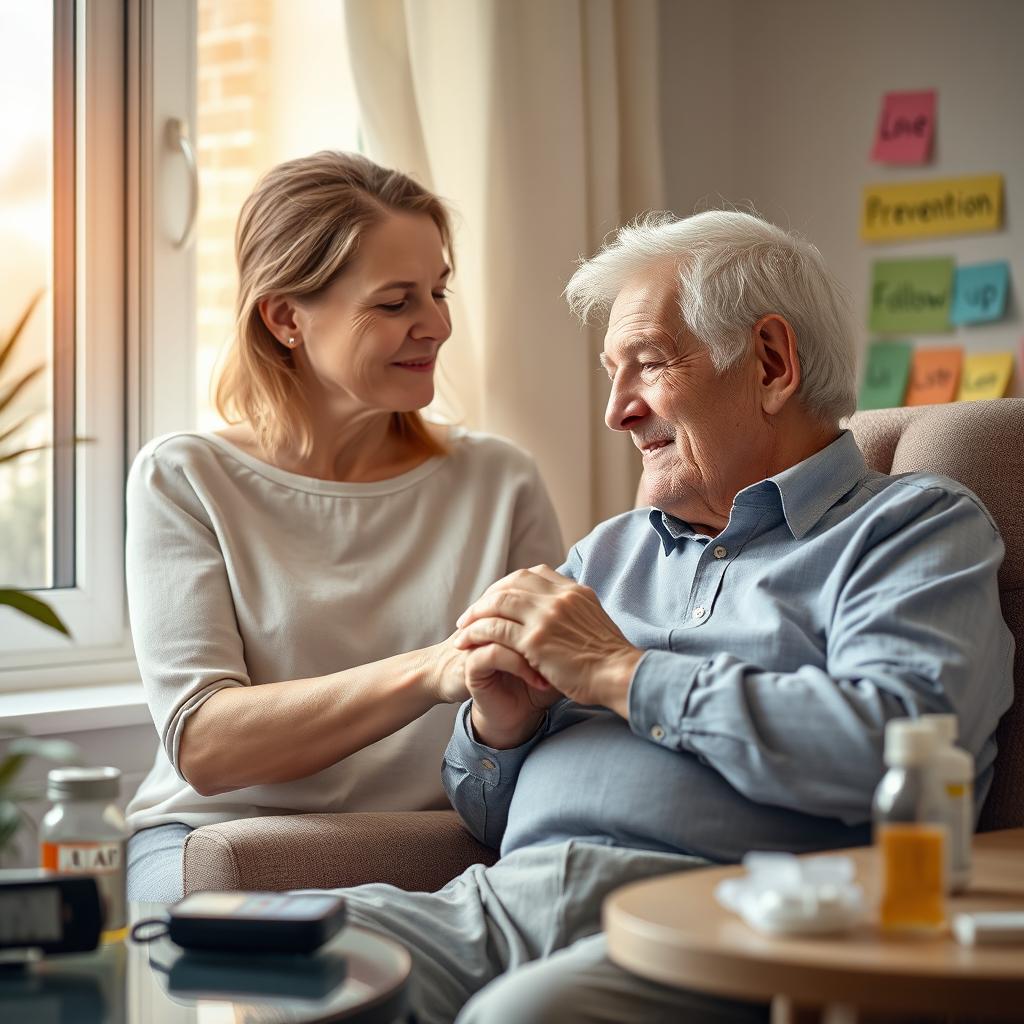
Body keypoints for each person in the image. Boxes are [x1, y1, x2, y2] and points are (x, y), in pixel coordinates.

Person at [319, 210, 1014, 1023]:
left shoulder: (911, 528)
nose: (617, 411)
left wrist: (624, 674)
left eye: (645, 364)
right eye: (612, 373)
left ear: (771, 361)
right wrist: (498, 727)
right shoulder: (608, 555)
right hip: (498, 905)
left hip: (726, 923)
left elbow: (904, 747)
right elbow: (484, 812)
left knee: (519, 1018)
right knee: (253, 965)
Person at [123, 152, 563, 901]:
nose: (438, 325)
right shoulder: (186, 476)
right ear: (286, 316)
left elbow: (546, 712)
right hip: (213, 842)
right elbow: (206, 743)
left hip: (437, 842)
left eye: (438, 291)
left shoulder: (500, 480)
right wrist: (433, 670)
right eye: (395, 303)